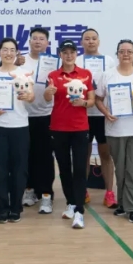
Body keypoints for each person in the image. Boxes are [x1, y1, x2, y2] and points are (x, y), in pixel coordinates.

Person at [94, 39, 133, 223]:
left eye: (129, 51)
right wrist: (106, 112)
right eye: (122, 51)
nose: (126, 54)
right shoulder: (107, 75)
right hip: (115, 129)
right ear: (117, 54)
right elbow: (98, 99)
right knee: (121, 170)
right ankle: (124, 204)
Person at [0, 38, 34, 223]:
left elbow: (32, 97)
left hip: (20, 126)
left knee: (20, 170)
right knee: (0, 169)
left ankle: (16, 207)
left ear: (17, 53)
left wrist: (27, 96)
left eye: (12, 50)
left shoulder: (24, 74)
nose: (8, 53)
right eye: (5, 49)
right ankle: (2, 208)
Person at [45, 39, 95, 229]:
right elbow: (47, 98)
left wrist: (83, 103)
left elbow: (91, 100)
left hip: (80, 128)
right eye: (65, 52)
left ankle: (80, 211)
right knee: (64, 168)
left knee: (80, 168)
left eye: (72, 52)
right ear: (60, 54)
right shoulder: (53, 75)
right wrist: (48, 92)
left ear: (76, 54)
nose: (68, 55)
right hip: (58, 127)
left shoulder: (85, 74)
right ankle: (71, 203)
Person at [77, 28, 117, 208]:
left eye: (94, 38)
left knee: (106, 155)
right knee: (83, 155)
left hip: (103, 114)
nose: (91, 41)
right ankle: (82, 191)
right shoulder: (77, 60)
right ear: (82, 42)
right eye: (87, 39)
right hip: (82, 115)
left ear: (99, 41)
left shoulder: (109, 61)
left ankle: (109, 193)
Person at [19, 28, 56, 213]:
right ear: (30, 41)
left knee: (45, 157)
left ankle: (46, 195)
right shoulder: (20, 61)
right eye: (35, 38)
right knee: (26, 155)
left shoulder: (54, 62)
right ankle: (29, 190)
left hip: (47, 114)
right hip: (23, 116)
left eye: (42, 39)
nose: (38, 41)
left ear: (47, 43)